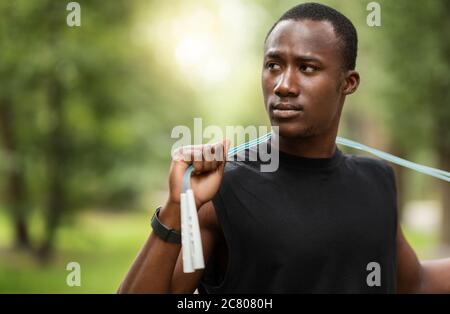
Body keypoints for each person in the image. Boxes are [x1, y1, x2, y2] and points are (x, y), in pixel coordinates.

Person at [118, 2, 450, 293]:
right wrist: (177, 206)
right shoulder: (220, 190)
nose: (283, 85)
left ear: (348, 83)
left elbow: (415, 283)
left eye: (307, 68)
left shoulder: (377, 181)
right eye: (274, 65)